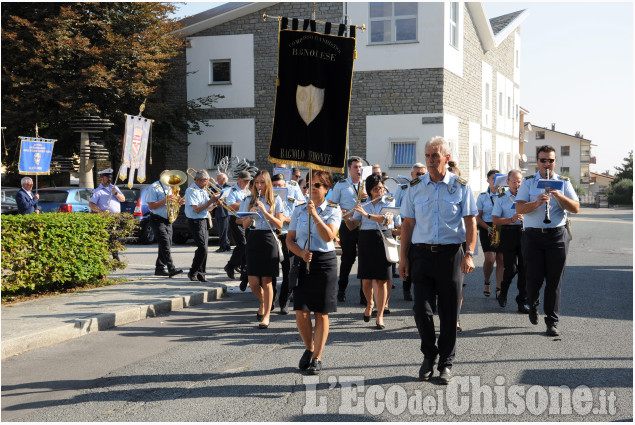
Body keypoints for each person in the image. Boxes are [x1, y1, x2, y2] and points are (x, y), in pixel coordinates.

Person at [399, 136, 477, 385]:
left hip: (450, 255)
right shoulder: (414, 187)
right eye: (427, 155)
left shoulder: (461, 186)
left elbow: (470, 221)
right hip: (421, 254)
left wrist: (470, 252)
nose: (430, 160)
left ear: (446, 158)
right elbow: (408, 224)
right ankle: (428, 354)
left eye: (435, 155)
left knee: (449, 311)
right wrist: (403, 258)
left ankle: (445, 362)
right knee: (421, 310)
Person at [516, 145, 579, 337]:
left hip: (557, 235)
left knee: (554, 280)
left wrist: (559, 195)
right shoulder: (528, 182)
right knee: (533, 278)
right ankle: (533, 303)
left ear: (554, 162)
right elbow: (519, 208)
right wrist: (536, 203)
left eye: (550, 160)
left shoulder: (563, 182)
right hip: (533, 235)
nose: (546, 164)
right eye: (543, 160)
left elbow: (575, 208)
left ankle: (552, 321)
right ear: (537, 161)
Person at [286, 170, 341, 375]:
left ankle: (317, 356)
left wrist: (315, 215)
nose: (311, 189)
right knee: (301, 310)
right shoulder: (299, 209)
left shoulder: (333, 210)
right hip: (303, 260)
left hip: (324, 263)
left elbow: (329, 237)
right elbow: (289, 239)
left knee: (321, 311)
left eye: (317, 185)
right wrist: (300, 252)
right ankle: (309, 347)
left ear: (327, 189)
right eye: (309, 185)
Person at [344, 173, 395, 329]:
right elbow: (353, 226)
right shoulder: (364, 202)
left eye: (381, 188)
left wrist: (367, 215)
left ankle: (379, 315)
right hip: (366, 240)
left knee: (381, 280)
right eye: (376, 189)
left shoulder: (389, 201)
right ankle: (370, 303)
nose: (379, 191)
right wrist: (346, 217)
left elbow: (387, 220)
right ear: (370, 190)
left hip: (382, 238)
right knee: (366, 280)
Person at [239, 170, 285, 328]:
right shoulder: (248, 199)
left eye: (262, 182)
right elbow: (243, 224)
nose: (259, 185)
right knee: (252, 282)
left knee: (267, 281)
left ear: (268, 183)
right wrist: (250, 215)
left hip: (268, 238)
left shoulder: (276, 200)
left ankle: (266, 316)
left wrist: (265, 212)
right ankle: (265, 302)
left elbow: (279, 225)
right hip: (253, 238)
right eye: (256, 182)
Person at [492, 169, 529, 313]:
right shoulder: (501, 198)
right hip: (508, 234)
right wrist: (511, 219)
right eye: (514, 181)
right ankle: (503, 292)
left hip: (524, 233)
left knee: (524, 269)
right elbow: (495, 220)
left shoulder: (527, 198)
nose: (516, 184)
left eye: (519, 181)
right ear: (508, 182)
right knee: (511, 268)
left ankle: (522, 301)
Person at [329, 156, 365, 303]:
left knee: (364, 260)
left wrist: (368, 196)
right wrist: (340, 210)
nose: (359, 169)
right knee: (348, 259)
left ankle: (365, 295)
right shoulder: (341, 185)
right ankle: (341, 289)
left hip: (364, 225)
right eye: (356, 167)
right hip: (348, 224)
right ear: (349, 169)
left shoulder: (366, 183)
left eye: (360, 167)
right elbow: (331, 203)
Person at [394, 163, 427, 301]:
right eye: (418, 174)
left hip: (423, 230)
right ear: (412, 175)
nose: (420, 176)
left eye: (423, 174)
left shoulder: (428, 189)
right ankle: (406, 288)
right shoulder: (403, 189)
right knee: (407, 257)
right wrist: (398, 225)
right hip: (406, 227)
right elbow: (395, 208)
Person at [146, 170, 184, 277]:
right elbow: (151, 206)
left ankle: (159, 268)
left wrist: (179, 202)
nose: (171, 179)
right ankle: (171, 268)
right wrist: (166, 200)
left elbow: (173, 202)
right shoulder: (155, 187)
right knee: (165, 244)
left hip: (168, 219)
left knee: (166, 244)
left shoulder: (171, 187)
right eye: (168, 177)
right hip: (157, 219)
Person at [272, 173, 301, 315]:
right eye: (275, 185)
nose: (277, 188)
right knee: (269, 272)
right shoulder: (267, 200)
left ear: (285, 186)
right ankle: (271, 299)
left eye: (280, 185)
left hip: (286, 237)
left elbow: (297, 218)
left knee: (288, 272)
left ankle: (284, 302)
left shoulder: (291, 200)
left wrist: (284, 218)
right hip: (271, 236)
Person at [185, 170, 217, 282]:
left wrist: (216, 203)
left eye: (207, 181)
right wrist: (211, 201)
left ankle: (201, 274)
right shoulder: (191, 191)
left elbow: (207, 209)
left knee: (205, 249)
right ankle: (193, 272)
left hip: (204, 220)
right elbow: (197, 209)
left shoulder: (203, 190)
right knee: (202, 248)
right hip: (195, 221)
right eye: (205, 181)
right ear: (197, 180)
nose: (207, 183)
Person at [476, 169, 504, 299]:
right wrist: (488, 229)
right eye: (493, 178)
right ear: (488, 180)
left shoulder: (505, 194)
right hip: (486, 227)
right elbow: (478, 217)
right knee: (490, 259)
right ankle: (487, 281)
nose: (496, 181)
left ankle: (499, 288)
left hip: (502, 227)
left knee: (501, 259)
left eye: (498, 178)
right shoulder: (482, 196)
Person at [89, 168, 127, 261]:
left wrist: (116, 193)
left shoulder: (114, 188)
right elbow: (91, 204)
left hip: (116, 217)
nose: (109, 179)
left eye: (110, 178)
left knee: (115, 237)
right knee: (109, 237)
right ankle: (111, 257)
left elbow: (123, 199)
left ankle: (114, 256)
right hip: (106, 218)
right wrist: (101, 212)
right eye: (107, 178)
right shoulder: (97, 191)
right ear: (101, 178)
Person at [223, 170, 253, 282]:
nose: (246, 183)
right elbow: (230, 206)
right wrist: (245, 202)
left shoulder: (249, 191)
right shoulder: (233, 191)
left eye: (248, 181)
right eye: (244, 181)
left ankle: (243, 268)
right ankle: (230, 266)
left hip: (246, 218)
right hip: (235, 219)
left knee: (247, 245)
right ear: (239, 180)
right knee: (242, 244)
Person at [213, 172, 231, 253]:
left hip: (225, 211)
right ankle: (227, 245)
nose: (217, 179)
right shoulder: (214, 187)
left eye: (218, 178)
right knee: (220, 229)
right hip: (217, 210)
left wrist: (220, 195)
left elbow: (228, 198)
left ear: (223, 179)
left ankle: (223, 246)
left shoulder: (228, 187)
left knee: (223, 230)